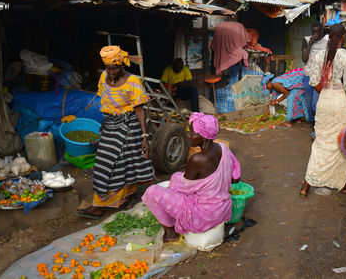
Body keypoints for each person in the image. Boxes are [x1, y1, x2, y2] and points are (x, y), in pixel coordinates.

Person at [76, 46, 155, 219]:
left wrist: (144, 137)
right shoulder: (104, 77)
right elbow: (106, 101)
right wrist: (104, 124)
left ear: (122, 66)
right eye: (108, 68)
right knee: (103, 163)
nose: (111, 72)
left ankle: (115, 201)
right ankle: (104, 201)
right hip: (111, 125)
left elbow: (140, 110)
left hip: (129, 127)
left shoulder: (133, 81)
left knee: (125, 164)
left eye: (115, 68)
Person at [142, 113, 241, 242]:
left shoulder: (197, 159)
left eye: (192, 133)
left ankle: (171, 234)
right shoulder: (223, 148)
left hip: (203, 216)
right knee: (177, 176)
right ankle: (173, 218)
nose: (189, 136)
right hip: (222, 209)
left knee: (152, 192)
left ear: (203, 136)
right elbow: (235, 178)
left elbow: (183, 188)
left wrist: (172, 193)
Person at [300, 23, 346, 197]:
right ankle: (343, 183)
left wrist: (327, 92)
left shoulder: (320, 55)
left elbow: (313, 81)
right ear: (343, 37)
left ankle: (306, 185)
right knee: (341, 143)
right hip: (340, 103)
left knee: (321, 143)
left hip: (324, 101)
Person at [301, 21, 329, 126]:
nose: (316, 35)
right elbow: (304, 59)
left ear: (322, 31)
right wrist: (310, 44)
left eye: (318, 32)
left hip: (320, 77)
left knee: (315, 104)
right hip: (308, 76)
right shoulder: (306, 40)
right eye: (314, 32)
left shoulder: (327, 41)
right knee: (309, 104)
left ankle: (318, 125)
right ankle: (313, 123)